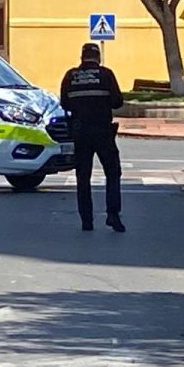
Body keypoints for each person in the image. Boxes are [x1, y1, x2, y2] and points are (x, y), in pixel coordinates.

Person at [60, 43, 125, 233]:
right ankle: (113, 215)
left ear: (82, 57)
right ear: (98, 58)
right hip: (103, 131)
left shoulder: (70, 76)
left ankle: (86, 220)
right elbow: (117, 102)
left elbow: (65, 102)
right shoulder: (106, 75)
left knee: (83, 177)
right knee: (112, 173)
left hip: (80, 132)